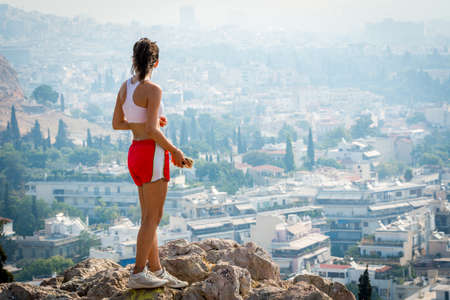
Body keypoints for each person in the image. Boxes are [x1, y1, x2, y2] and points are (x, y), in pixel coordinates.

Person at [112, 37, 188, 289]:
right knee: (152, 218)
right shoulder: (153, 89)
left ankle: (157, 270)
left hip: (135, 152)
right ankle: (137, 273)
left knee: (148, 217)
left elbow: (118, 123)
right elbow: (153, 131)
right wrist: (175, 151)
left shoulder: (126, 87)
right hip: (152, 154)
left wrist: (146, 124)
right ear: (156, 61)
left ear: (134, 60)